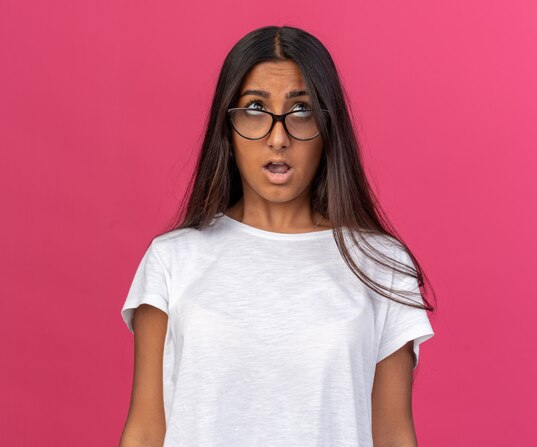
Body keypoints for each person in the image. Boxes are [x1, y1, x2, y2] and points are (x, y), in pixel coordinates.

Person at [119, 25, 436, 447]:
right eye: (254, 108)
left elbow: (393, 434)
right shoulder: (172, 260)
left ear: (329, 129)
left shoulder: (379, 263)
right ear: (227, 129)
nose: (278, 137)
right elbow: (145, 432)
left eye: (301, 110)